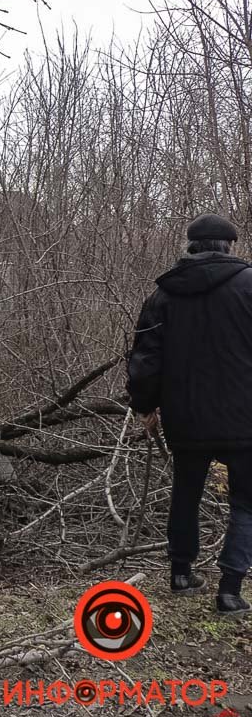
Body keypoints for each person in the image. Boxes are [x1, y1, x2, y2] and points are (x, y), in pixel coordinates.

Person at [127, 213, 252, 617]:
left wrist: (144, 406)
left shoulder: (164, 294)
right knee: (246, 503)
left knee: (186, 494)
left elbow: (145, 360)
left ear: (192, 246)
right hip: (244, 418)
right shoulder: (249, 285)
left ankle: (181, 574)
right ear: (228, 246)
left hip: (186, 416)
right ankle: (229, 591)